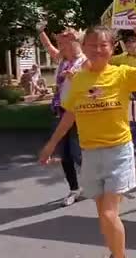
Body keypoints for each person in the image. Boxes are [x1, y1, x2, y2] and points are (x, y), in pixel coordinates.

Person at [38, 26, 136, 258]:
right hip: (90, 153)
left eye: (104, 45)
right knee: (103, 215)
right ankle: (114, 252)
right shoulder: (77, 80)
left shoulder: (121, 74)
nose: (98, 49)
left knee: (109, 214)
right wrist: (51, 144)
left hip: (117, 152)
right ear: (85, 47)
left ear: (112, 49)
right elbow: (69, 115)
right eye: (93, 44)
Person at [38, 24, 87, 207]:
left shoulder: (85, 62)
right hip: (63, 110)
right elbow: (48, 47)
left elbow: (92, 85)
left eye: (65, 41)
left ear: (76, 41)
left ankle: (100, 182)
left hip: (82, 112)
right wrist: (41, 32)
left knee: (81, 153)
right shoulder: (62, 60)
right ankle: (74, 189)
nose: (61, 45)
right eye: (60, 42)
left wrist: (75, 77)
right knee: (65, 153)